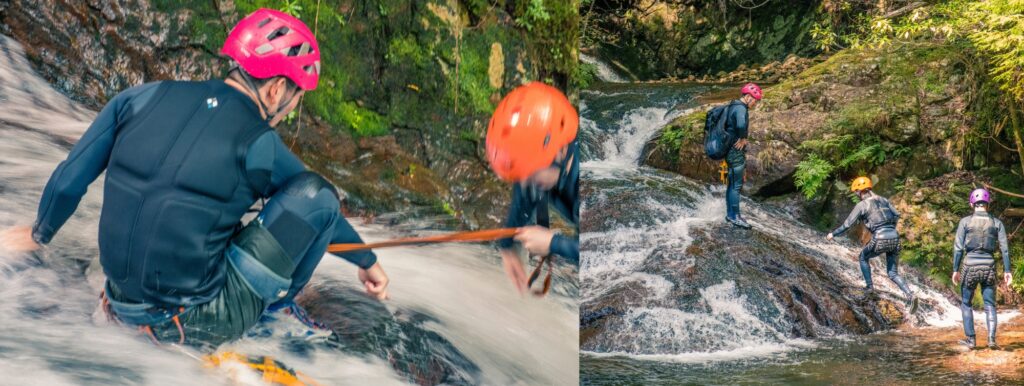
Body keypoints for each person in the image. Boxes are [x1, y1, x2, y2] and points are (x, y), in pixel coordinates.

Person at [0, 9, 389, 347]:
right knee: (318, 193)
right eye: (295, 100)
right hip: (188, 324)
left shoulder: (140, 97)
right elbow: (318, 209)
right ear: (275, 90)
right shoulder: (260, 144)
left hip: (116, 298)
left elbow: (70, 179)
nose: (289, 112)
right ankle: (279, 310)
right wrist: (367, 262)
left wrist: (39, 234)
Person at [486, 82, 580, 294]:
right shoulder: (540, 165)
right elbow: (524, 197)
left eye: (532, 176)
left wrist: (553, 243)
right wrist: (506, 246)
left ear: (560, 153)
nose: (526, 184)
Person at [827, 177, 916, 309]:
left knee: (863, 257)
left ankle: (870, 287)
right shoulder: (883, 200)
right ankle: (910, 295)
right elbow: (897, 215)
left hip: (880, 237)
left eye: (856, 192)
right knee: (892, 273)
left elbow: (847, 224)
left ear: (858, 192)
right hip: (895, 237)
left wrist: (833, 234)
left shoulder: (862, 205)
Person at [952, 188, 1012, 349]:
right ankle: (991, 340)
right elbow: (1005, 249)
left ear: (972, 203)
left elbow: (958, 248)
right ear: (988, 204)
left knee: (966, 303)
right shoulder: (997, 223)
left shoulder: (965, 222)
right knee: (990, 304)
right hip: (989, 267)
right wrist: (1007, 271)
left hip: (969, 266)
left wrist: (955, 270)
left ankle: (971, 340)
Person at [724, 83, 761, 229]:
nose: (755, 103)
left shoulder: (733, 105)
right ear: (747, 96)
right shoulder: (740, 108)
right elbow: (740, 125)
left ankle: (730, 214)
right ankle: (735, 217)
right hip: (735, 152)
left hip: (729, 149)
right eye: (754, 99)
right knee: (736, 185)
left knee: (731, 183)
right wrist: (743, 138)